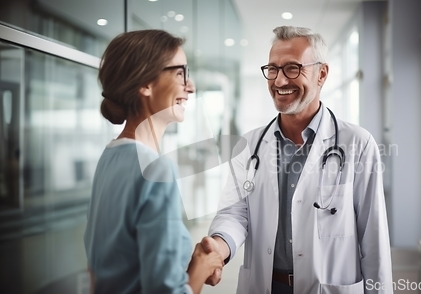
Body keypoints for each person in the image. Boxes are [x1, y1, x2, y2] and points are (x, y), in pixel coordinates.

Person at [201, 26, 393, 293]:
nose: (279, 81)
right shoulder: (249, 146)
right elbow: (236, 213)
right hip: (267, 286)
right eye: (273, 69)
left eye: (292, 68)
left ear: (321, 74)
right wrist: (219, 247)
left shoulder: (357, 143)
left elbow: (373, 239)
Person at [83, 29, 223, 294]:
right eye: (180, 73)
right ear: (145, 84)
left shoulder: (109, 157)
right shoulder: (155, 169)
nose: (190, 86)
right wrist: (200, 268)